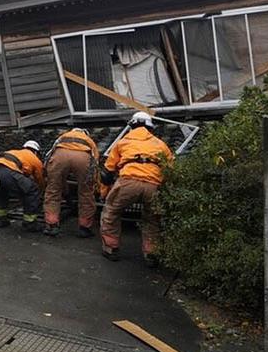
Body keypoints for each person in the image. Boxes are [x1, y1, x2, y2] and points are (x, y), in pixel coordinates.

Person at [99, 111, 174, 266]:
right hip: (153, 185)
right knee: (152, 219)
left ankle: (111, 248)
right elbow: (171, 171)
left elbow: (107, 173)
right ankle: (152, 254)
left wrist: (104, 192)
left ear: (132, 125)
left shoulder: (123, 142)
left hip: (128, 181)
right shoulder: (161, 144)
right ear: (150, 127)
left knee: (111, 212)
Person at [42, 128, 99, 238]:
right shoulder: (88, 140)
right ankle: (84, 227)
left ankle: (52, 225)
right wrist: (94, 183)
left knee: (53, 190)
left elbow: (50, 154)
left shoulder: (63, 137)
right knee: (86, 193)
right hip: (83, 157)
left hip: (60, 155)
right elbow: (95, 161)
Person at [0, 141, 45, 232]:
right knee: (32, 190)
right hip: (7, 171)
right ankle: (30, 223)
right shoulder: (35, 159)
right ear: (36, 152)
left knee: (1, 191)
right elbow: (39, 179)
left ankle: (0, 219)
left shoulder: (15, 152)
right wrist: (41, 192)